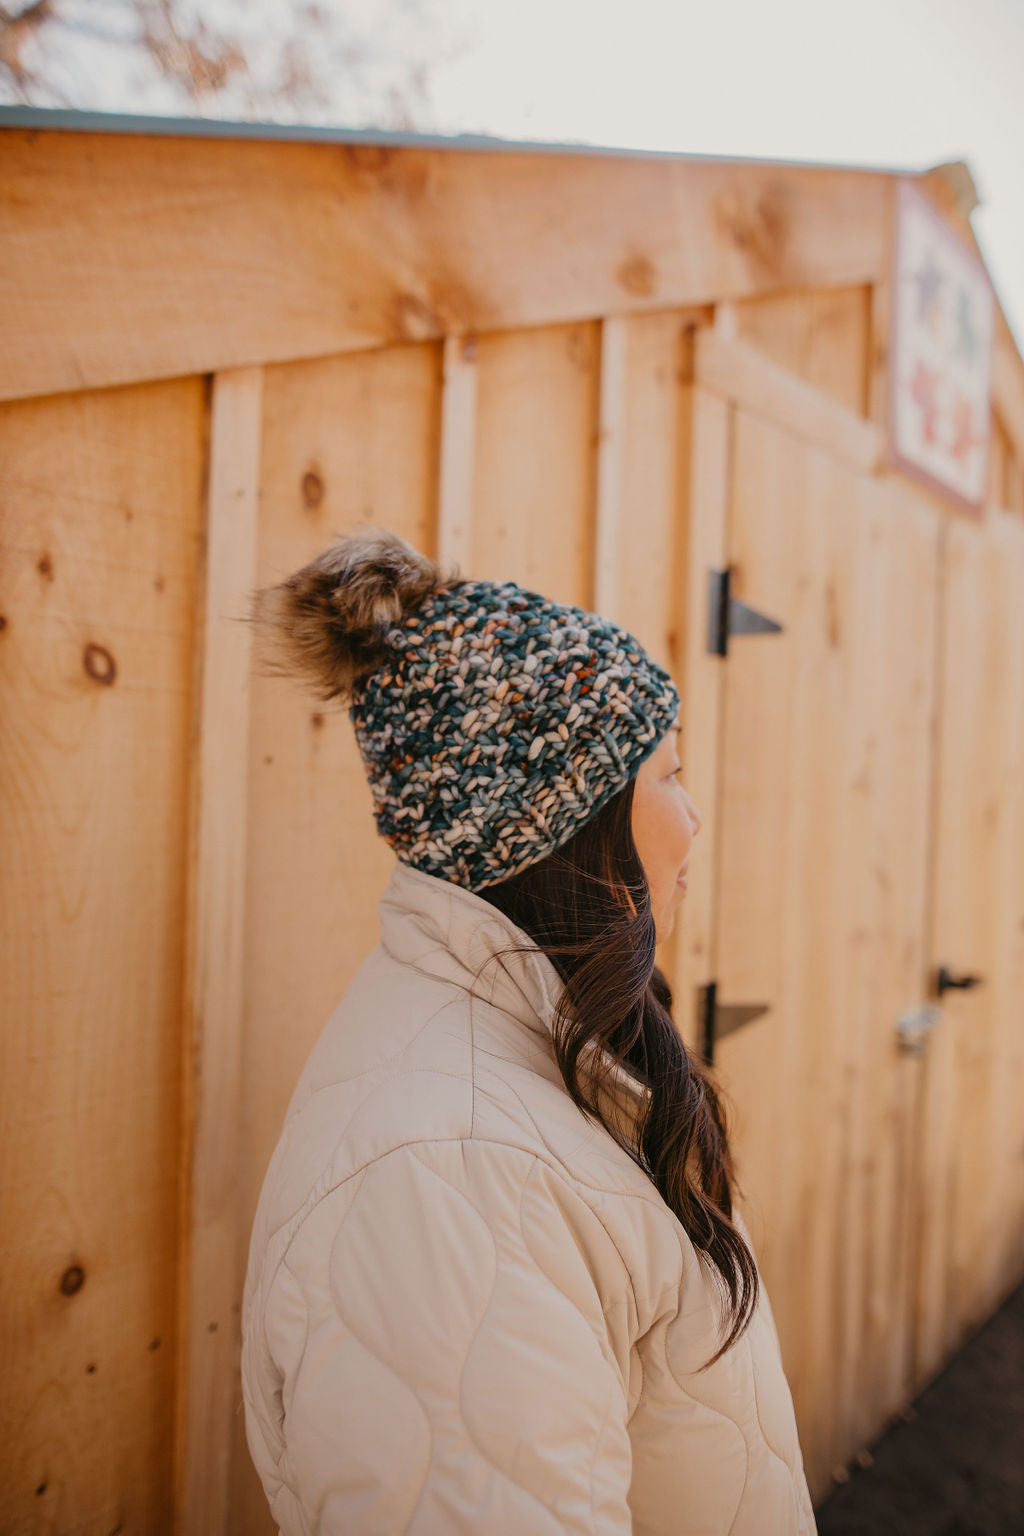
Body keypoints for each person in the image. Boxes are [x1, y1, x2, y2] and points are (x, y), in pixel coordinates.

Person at [241, 527, 816, 1535]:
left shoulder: (533, 1070)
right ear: (564, 827)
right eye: (667, 775)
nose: (693, 818)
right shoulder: (454, 1175)